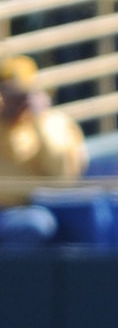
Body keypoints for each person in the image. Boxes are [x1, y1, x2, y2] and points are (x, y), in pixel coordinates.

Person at [0, 57, 86, 245]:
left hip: (22, 211)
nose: (14, 102)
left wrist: (39, 119)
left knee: (35, 223)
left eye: (21, 95)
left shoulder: (55, 124)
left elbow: (63, 178)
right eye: (7, 93)